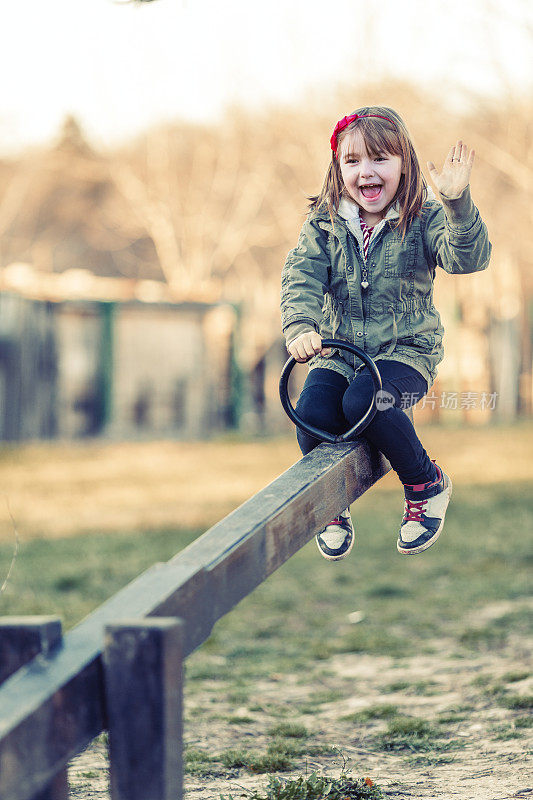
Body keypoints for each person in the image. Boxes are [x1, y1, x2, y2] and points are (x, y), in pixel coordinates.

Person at [280, 106, 491, 561]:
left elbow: (467, 259)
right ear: (338, 169)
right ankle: (329, 504)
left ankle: (425, 483)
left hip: (406, 351)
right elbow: (302, 276)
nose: (366, 171)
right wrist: (300, 324)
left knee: (366, 401)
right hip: (340, 351)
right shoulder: (324, 224)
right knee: (313, 410)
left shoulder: (424, 217)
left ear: (404, 164)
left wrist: (458, 206)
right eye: (353, 161)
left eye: (380, 158)